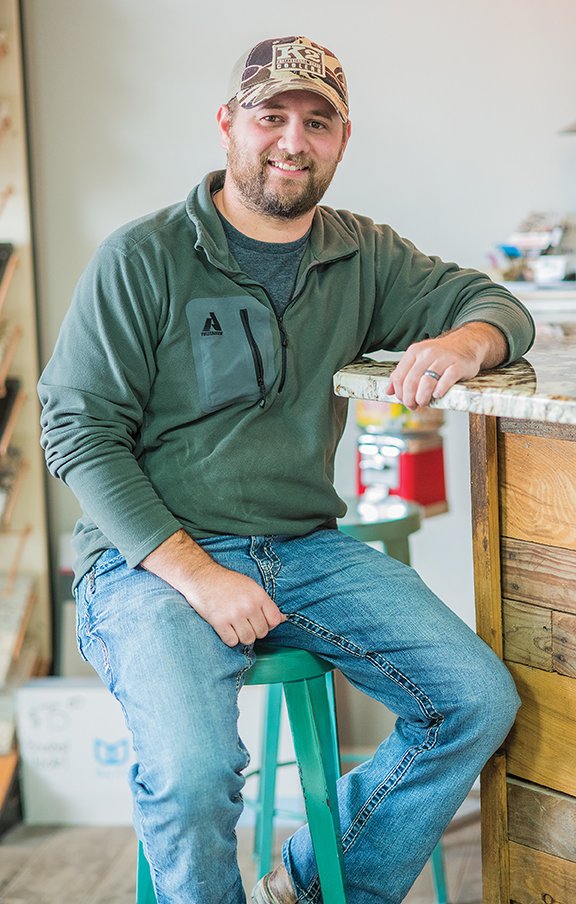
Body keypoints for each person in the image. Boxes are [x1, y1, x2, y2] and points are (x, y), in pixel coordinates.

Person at [38, 35, 534, 904]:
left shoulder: (364, 256)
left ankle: (305, 888)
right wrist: (195, 573)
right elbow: (78, 431)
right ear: (229, 124)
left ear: (344, 139)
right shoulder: (143, 256)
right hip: (151, 560)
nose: (292, 141)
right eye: (271, 116)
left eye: (318, 121)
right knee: (194, 777)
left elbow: (495, 304)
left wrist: (468, 340)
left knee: (476, 701)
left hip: (304, 548)